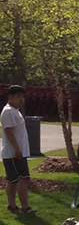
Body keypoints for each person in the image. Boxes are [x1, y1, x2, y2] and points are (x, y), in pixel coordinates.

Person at [2, 84, 30, 215]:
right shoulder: (8, 111)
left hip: (17, 152)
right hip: (14, 153)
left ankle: (12, 206)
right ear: (11, 97)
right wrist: (17, 150)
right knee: (23, 179)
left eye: (22, 97)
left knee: (12, 181)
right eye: (18, 97)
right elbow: (9, 132)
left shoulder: (15, 111)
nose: (21, 99)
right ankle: (25, 207)